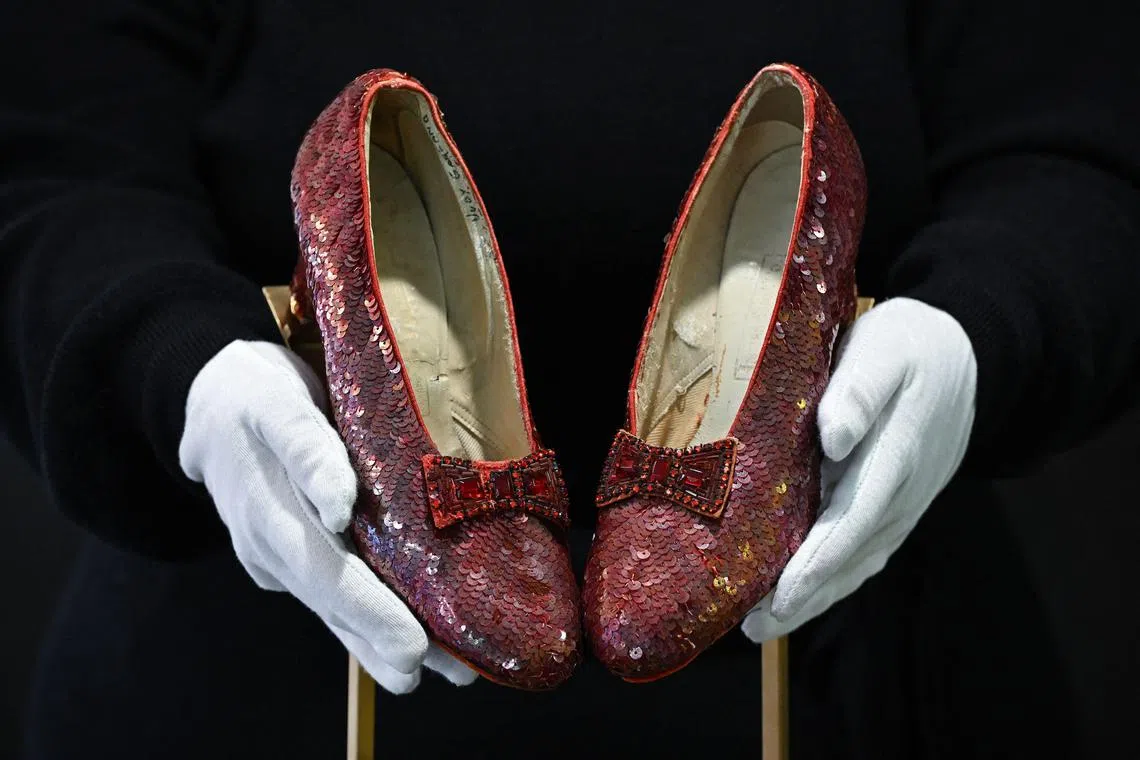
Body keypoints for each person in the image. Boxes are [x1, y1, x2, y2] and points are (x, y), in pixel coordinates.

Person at [2, 1, 1137, 757]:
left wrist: (979, 326)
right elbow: (48, 155)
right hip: (239, 682)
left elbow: (1083, 141)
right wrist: (174, 366)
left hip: (872, 674)